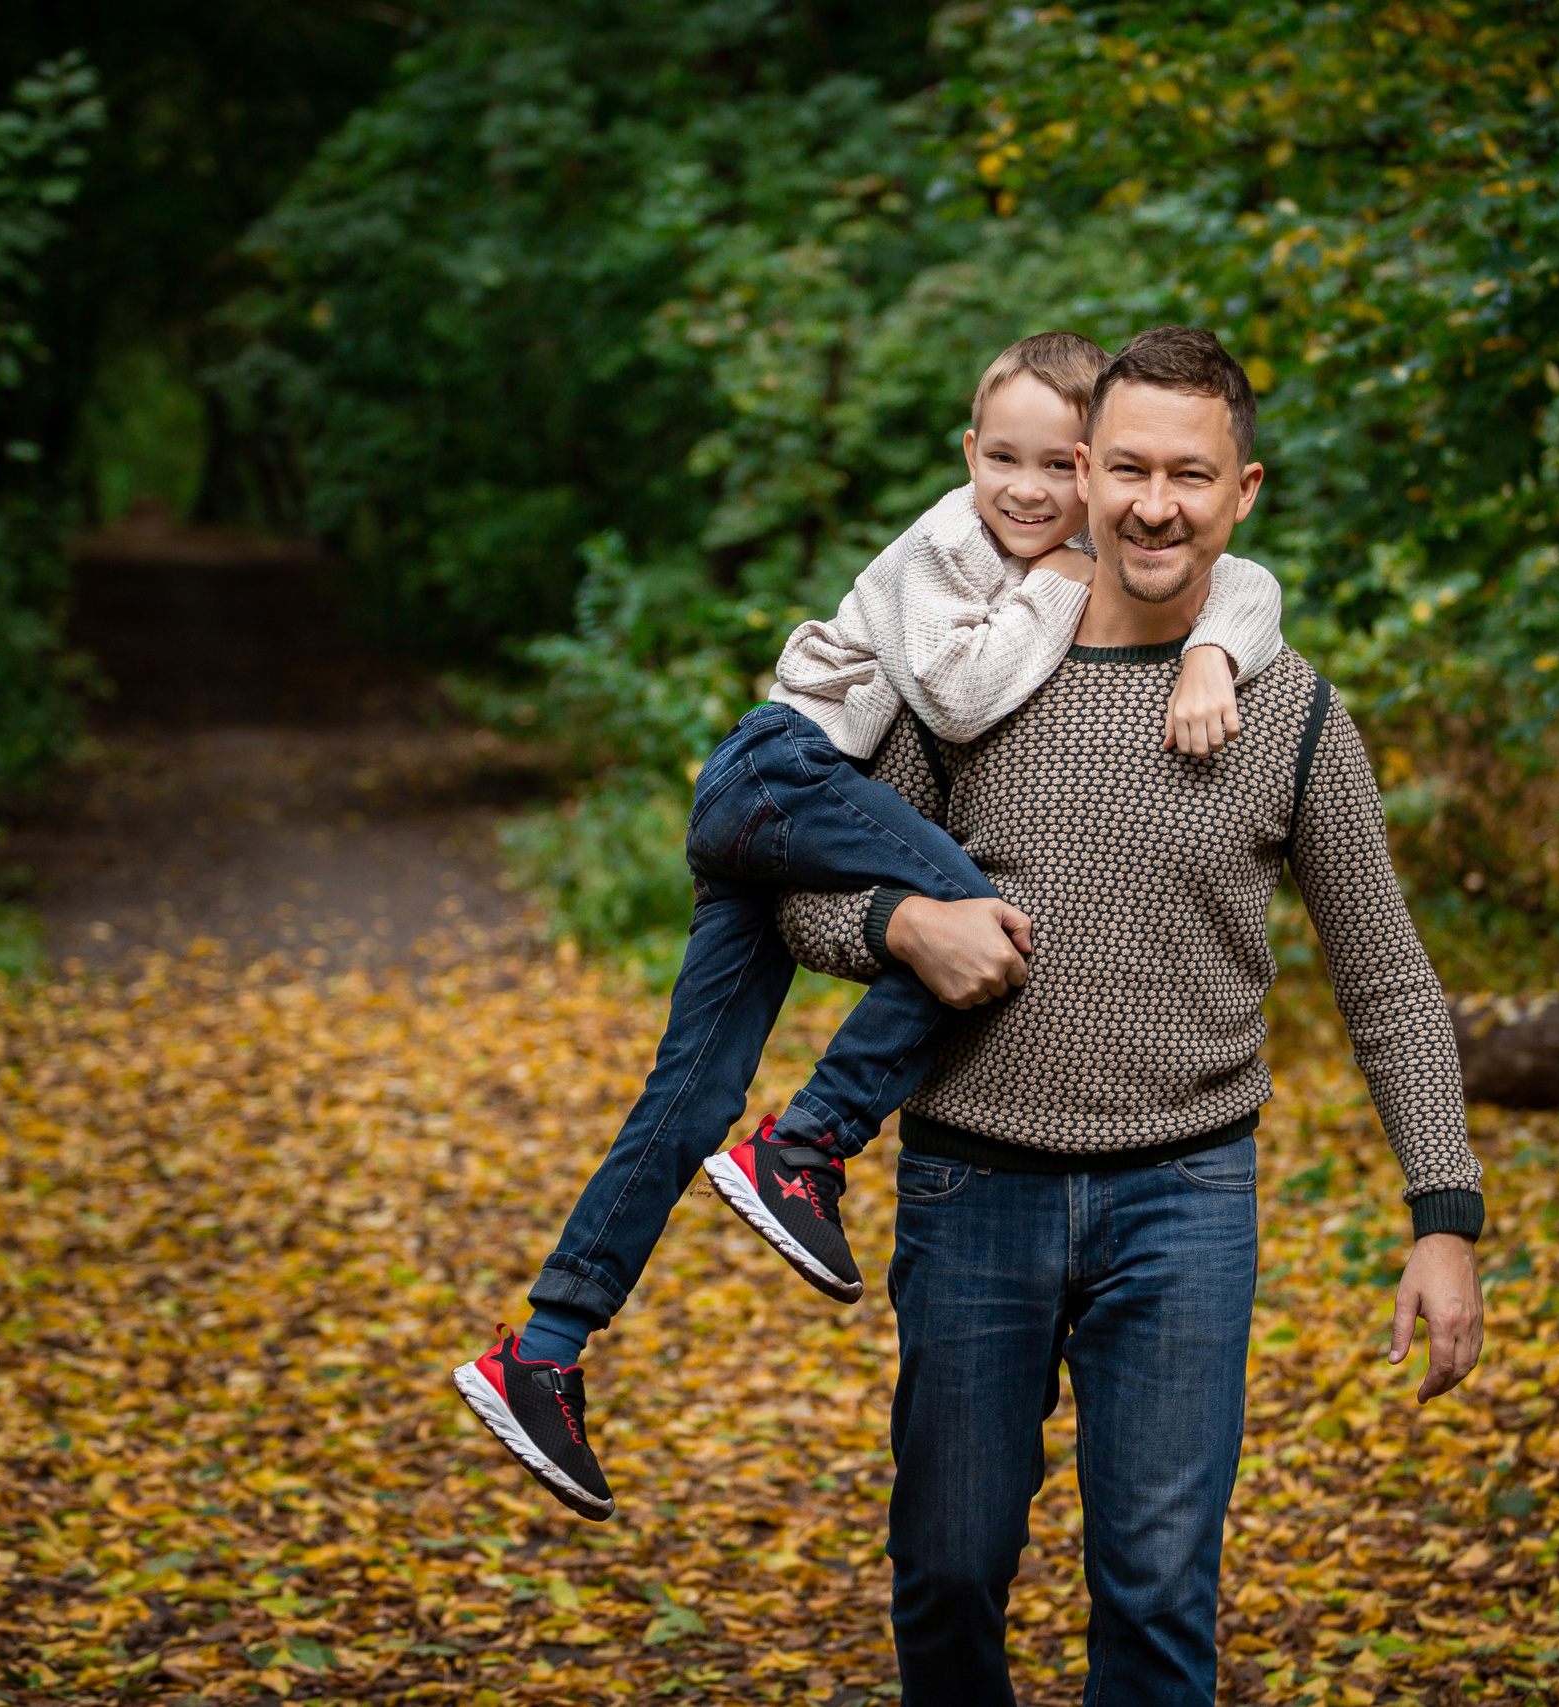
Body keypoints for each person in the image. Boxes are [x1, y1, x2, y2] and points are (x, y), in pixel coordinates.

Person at [452, 332, 1289, 1520]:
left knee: (687, 1093)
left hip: (801, 814)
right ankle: (804, 1146)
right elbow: (952, 697)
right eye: (1005, 458)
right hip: (781, 776)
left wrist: (1208, 650)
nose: (1031, 491)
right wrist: (1060, 578)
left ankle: (541, 1352)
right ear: (967, 452)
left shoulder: (1104, 531)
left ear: (1098, 466)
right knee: (988, 910)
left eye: (1061, 467)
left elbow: (1247, 581)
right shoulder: (945, 546)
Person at [770, 325, 1487, 1703]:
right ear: (1085, 471)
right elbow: (801, 900)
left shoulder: (1290, 713)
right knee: (949, 1570)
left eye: (1193, 476)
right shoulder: (969, 678)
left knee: (1159, 1592)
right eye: (1132, 468)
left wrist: (1442, 1213)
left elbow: (1388, 972)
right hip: (974, 1184)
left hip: (1186, 1196)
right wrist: (903, 924)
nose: (1158, 504)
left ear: (1244, 492)